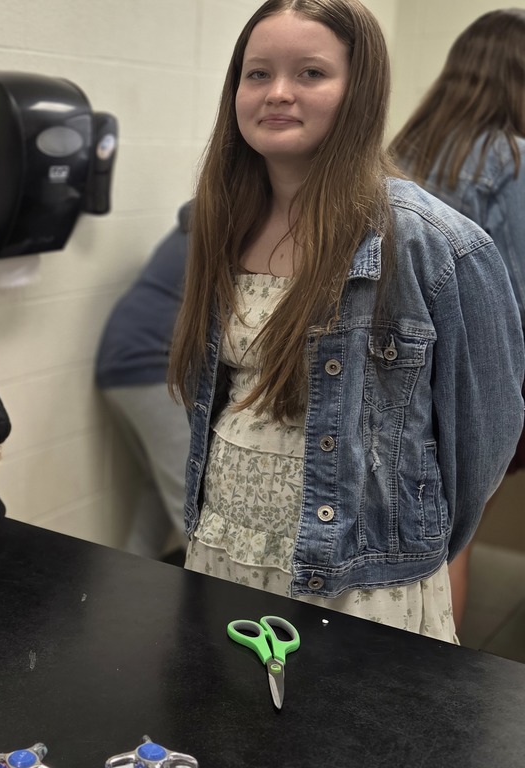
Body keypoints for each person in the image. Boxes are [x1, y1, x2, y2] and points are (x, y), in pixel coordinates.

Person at [167, 0, 524, 641]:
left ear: (358, 91)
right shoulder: (217, 218)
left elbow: (485, 433)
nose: (278, 93)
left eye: (310, 73)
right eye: (257, 74)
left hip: (356, 575)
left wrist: (409, 544)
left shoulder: (427, 242)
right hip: (223, 543)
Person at [389, 8, 525, 629]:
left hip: (395, 363)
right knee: (457, 528)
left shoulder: (399, 151)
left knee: (424, 522)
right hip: (478, 368)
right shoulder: (514, 160)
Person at [95, 202, 192, 559]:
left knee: (162, 484)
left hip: (128, 359)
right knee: (192, 505)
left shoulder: (213, 215)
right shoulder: (227, 222)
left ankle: (129, 597)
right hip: (147, 363)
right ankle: (225, 605)